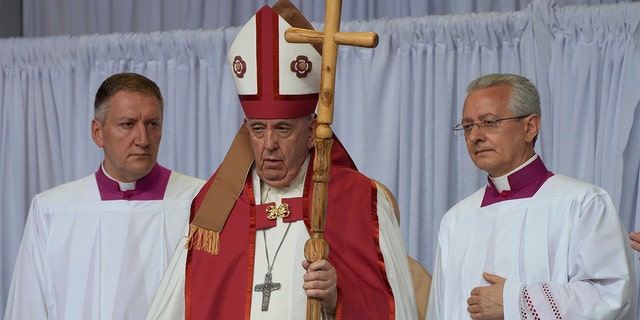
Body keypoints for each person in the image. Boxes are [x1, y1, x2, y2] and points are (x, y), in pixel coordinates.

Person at [146, 2, 417, 319]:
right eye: (259, 130)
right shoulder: (214, 208)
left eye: (283, 129)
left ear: (312, 130)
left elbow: (397, 310)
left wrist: (336, 299)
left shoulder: (360, 200)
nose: (269, 145)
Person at [426, 73, 637, 320]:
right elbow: (439, 311)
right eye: (468, 126)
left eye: (489, 122)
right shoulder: (455, 220)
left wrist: (517, 301)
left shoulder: (583, 203)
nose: (475, 136)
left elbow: (611, 297)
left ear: (530, 127)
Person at [4, 72, 205, 320]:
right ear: (97, 132)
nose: (143, 139)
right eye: (128, 124)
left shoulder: (199, 202)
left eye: (152, 124)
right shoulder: (53, 211)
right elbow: (29, 307)